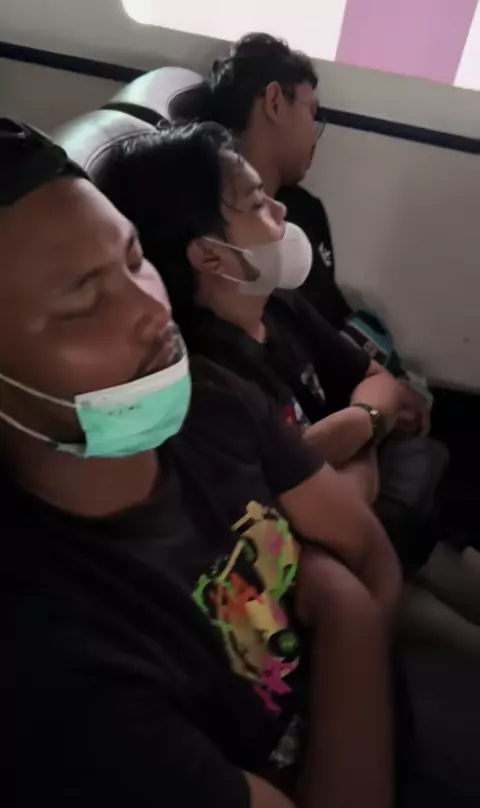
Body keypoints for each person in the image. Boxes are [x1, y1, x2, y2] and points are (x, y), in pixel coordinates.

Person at [1, 118, 401, 808]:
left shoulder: (210, 399)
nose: (152, 309)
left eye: (133, 260)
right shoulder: (52, 655)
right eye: (84, 301)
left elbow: (372, 560)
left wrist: (347, 604)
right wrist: (334, 595)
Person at [100, 122, 447, 562]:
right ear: (210, 255)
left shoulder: (279, 305)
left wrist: (358, 424)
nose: (281, 211)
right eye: (256, 204)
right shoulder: (214, 381)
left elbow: (377, 379)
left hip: (387, 531)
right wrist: (373, 433)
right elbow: (342, 511)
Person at [199, 32, 432, 420]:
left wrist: (388, 382)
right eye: (311, 113)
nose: (315, 135)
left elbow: (331, 318)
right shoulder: (217, 225)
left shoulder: (305, 211)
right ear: (275, 102)